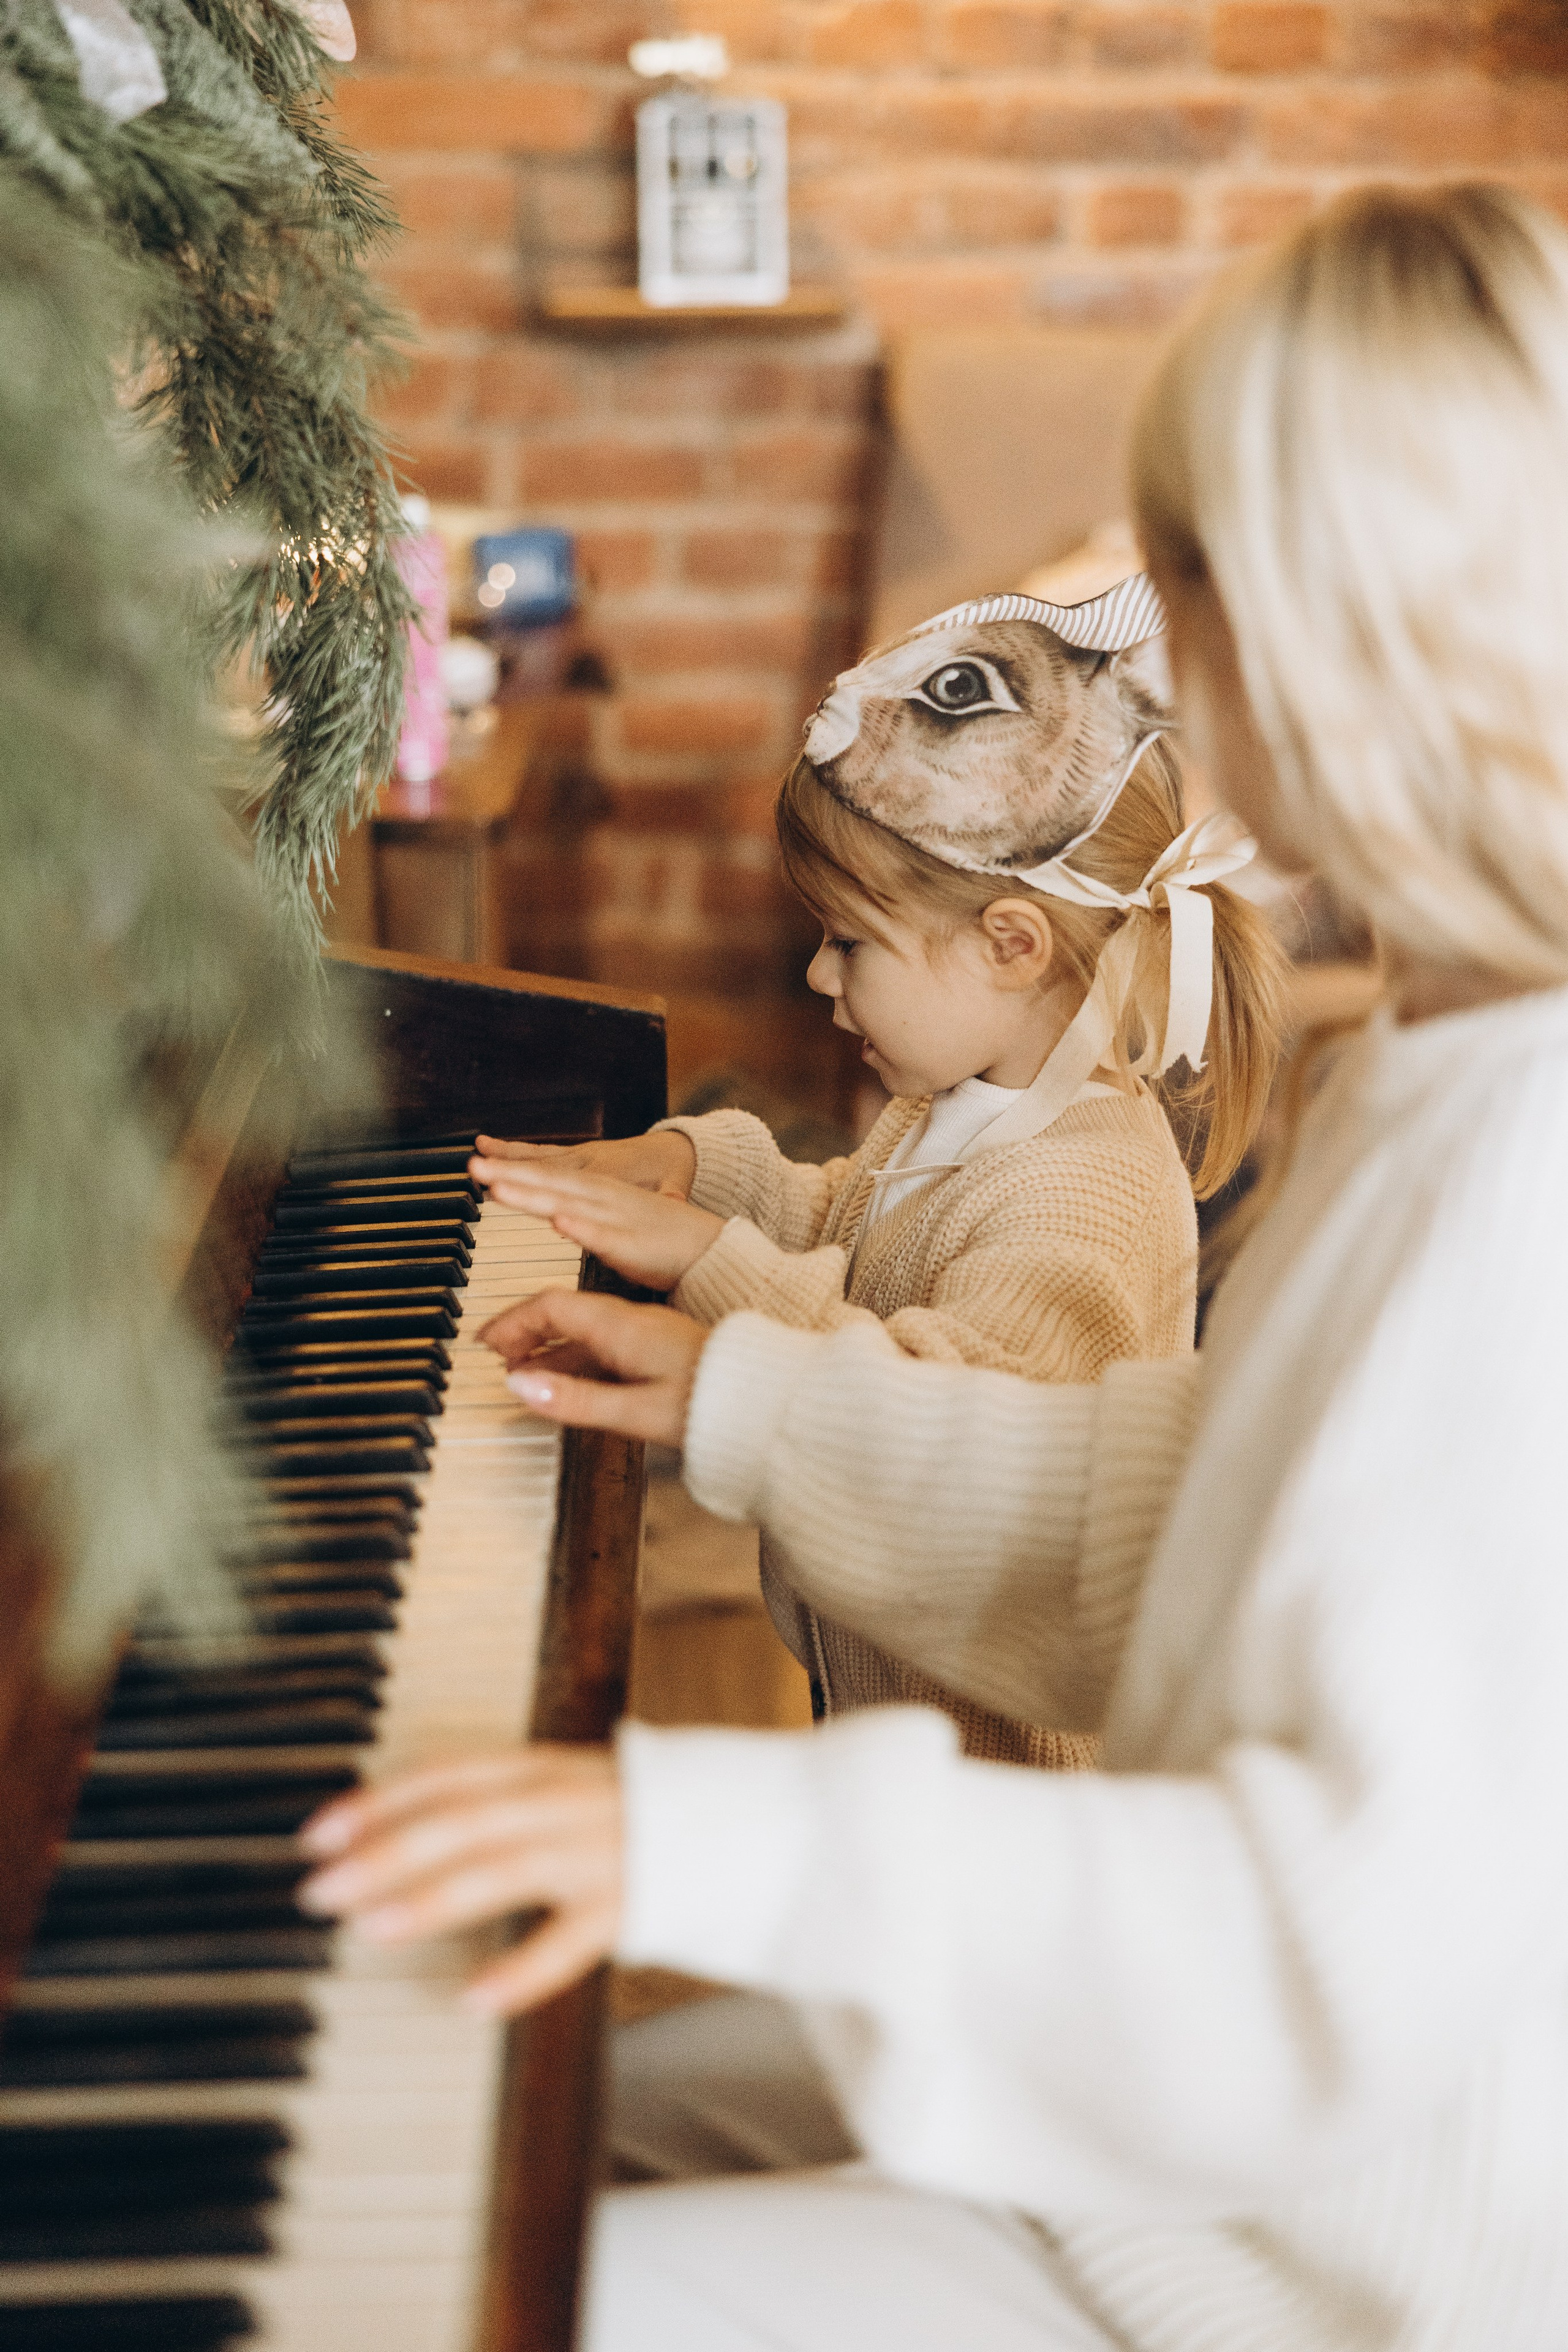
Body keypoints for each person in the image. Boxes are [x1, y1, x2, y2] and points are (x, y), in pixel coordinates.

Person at [301, 183, 1568, 2351]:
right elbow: (1219, 1510)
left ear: (1346, 629)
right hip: (1197, 2126)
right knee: (508, 2105)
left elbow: (1318, 1947)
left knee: (382, 2291)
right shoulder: (1451, 1051)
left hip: (1299, 2260)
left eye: (1188, 582)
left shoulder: (1523, 1175)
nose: (1155, 647)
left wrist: (722, 1841)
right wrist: (752, 1397)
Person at [467, 590, 1283, 1765]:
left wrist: (711, 1265)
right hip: (891, 1706)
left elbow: (944, 1414)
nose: (815, 973)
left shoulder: (1082, 1195)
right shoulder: (959, 1108)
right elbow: (854, 1232)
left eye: (850, 941)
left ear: (1012, 945)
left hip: (990, 1787)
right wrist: (700, 1171)